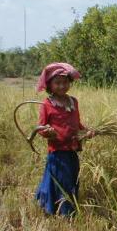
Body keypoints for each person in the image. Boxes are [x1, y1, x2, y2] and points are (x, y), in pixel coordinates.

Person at [35, 62, 95, 216]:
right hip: (57, 151)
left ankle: (63, 207)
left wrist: (86, 131)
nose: (62, 86)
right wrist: (48, 132)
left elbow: (77, 124)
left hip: (72, 149)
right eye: (58, 83)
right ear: (50, 85)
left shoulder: (73, 102)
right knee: (59, 180)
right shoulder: (47, 104)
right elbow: (41, 127)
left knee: (72, 179)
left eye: (65, 82)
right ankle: (64, 212)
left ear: (70, 82)